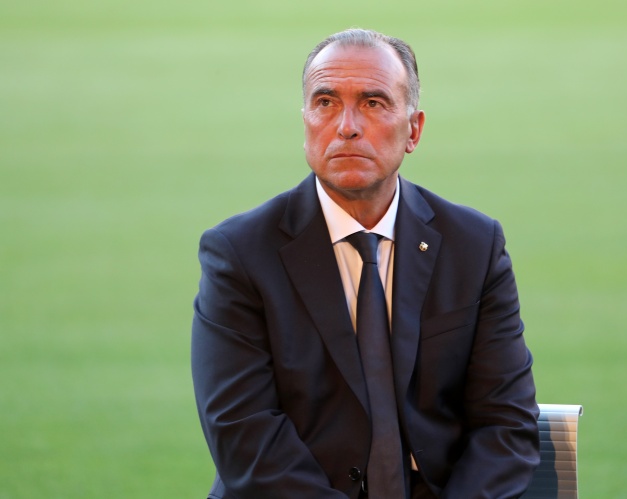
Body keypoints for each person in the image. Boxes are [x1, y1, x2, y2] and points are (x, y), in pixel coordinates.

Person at [191, 28, 539, 499]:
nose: (347, 126)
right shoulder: (239, 254)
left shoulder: (474, 246)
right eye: (326, 102)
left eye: (373, 103)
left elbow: (505, 424)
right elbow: (245, 437)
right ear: (305, 122)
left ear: (414, 130)